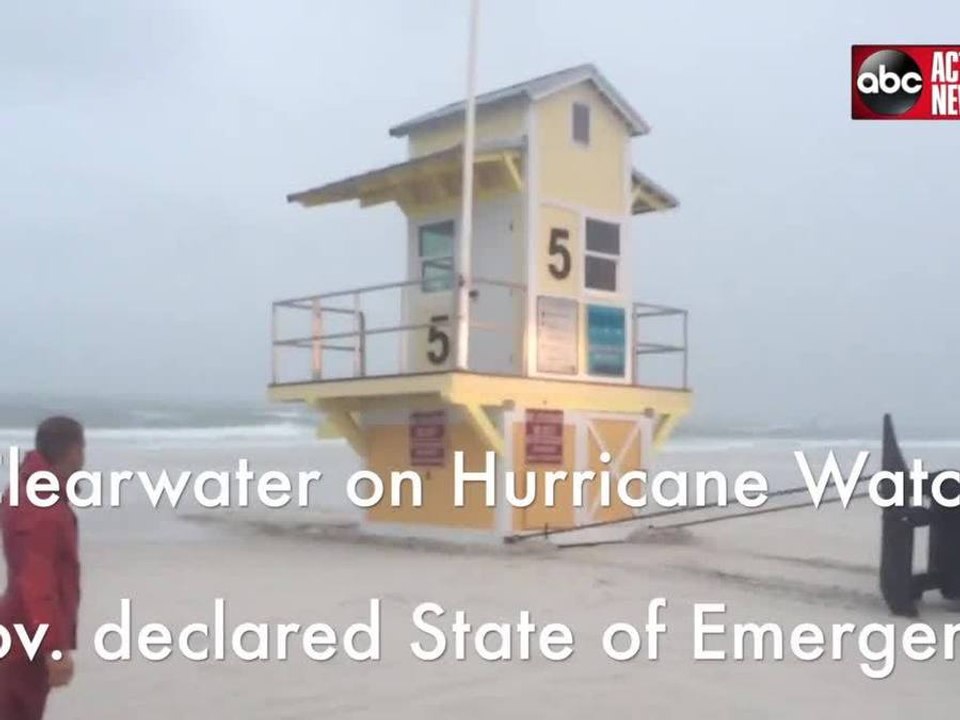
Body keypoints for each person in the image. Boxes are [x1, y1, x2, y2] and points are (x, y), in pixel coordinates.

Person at [0, 417, 84, 720]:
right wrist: (54, 648)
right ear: (74, 450)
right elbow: (37, 584)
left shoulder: (28, 489)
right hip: (25, 636)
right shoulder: (40, 505)